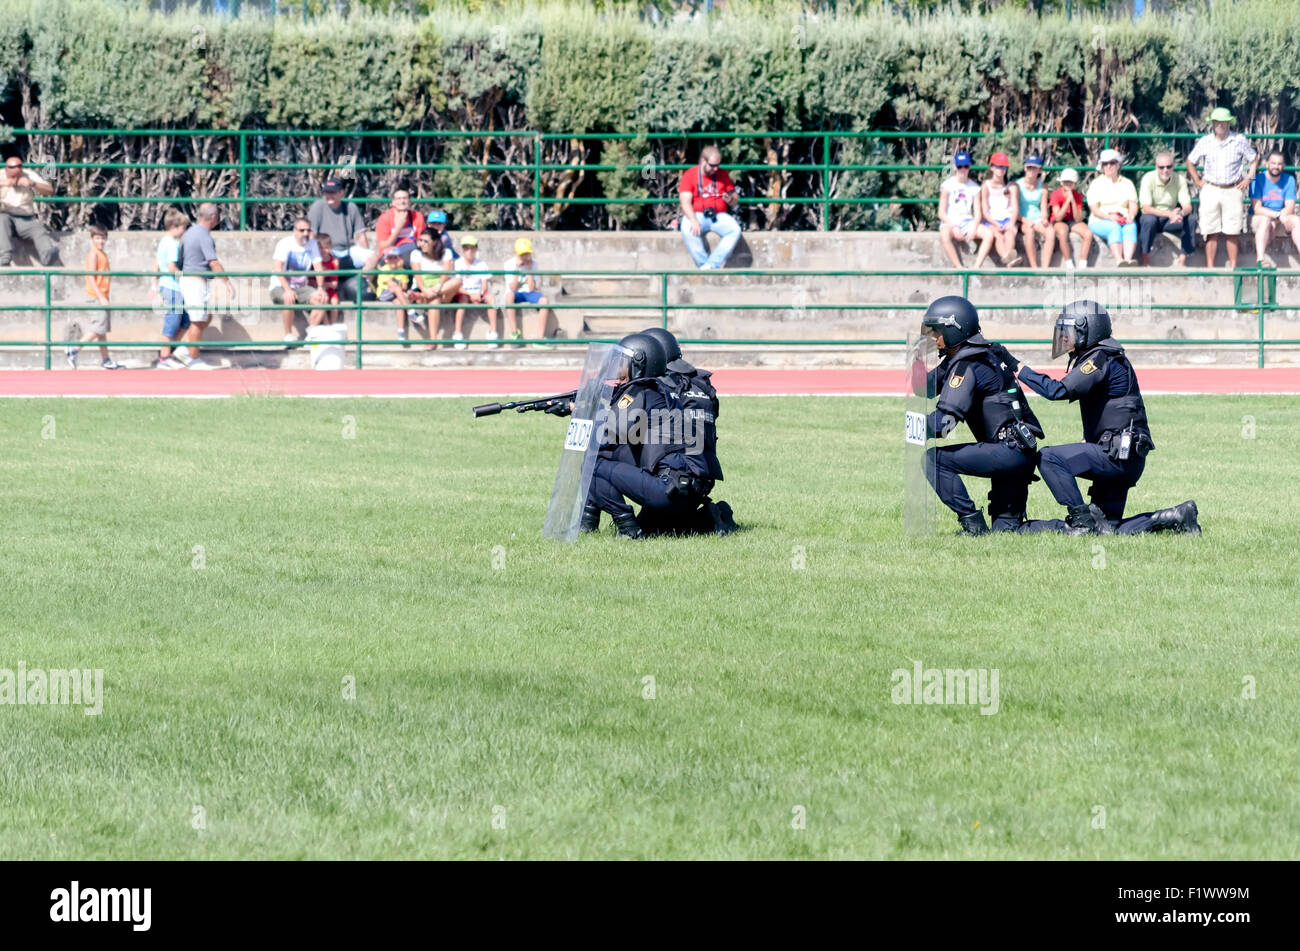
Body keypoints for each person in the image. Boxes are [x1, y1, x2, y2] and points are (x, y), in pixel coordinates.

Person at [1015, 300, 1201, 535]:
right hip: (1125, 457)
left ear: (1086, 330)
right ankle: (1176, 516)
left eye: (1068, 332)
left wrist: (1019, 369)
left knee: (1049, 458)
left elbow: (1057, 391)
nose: (1064, 338)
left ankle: (1081, 521)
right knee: (1108, 530)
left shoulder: (1100, 359)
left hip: (1116, 457)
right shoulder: (1108, 357)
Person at [918, 295, 1045, 535]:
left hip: (1006, 452)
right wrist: (915, 365)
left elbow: (943, 424)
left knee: (932, 459)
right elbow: (925, 387)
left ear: (955, 330)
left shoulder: (967, 364)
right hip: (1020, 452)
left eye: (937, 332)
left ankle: (972, 524)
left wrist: (915, 428)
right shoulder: (987, 352)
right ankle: (1071, 527)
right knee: (1007, 531)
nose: (933, 338)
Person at [587, 333, 717, 539]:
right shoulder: (666, 393)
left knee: (592, 462)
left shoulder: (642, 391)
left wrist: (582, 410)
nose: (618, 367)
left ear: (638, 363)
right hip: (686, 489)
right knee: (603, 458)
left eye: (623, 362)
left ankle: (629, 529)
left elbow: (608, 434)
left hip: (668, 488)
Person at [630, 326, 735, 537]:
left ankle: (589, 520)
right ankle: (709, 518)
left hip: (671, 476)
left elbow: (630, 427)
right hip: (703, 476)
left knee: (607, 454)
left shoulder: (660, 385)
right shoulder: (701, 385)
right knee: (660, 528)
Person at [1186, 107, 1257, 269]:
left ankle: (1233, 267)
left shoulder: (1239, 140)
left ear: (1228, 123)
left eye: (1223, 121)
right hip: (1211, 188)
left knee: (1233, 231)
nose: (1220, 125)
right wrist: (1197, 180)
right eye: (1217, 121)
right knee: (1211, 230)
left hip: (1233, 188)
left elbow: (1253, 159)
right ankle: (1210, 267)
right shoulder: (1205, 141)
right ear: (1212, 123)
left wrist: (1248, 178)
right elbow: (1190, 161)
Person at [177, 202, 233, 370]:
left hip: (192, 280)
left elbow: (180, 259)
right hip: (195, 282)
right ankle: (193, 359)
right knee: (197, 320)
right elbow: (213, 262)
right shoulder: (204, 235)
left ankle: (184, 348)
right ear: (214, 217)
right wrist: (227, 282)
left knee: (205, 317)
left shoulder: (189, 233)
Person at [65, 224, 121, 369]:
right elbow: (90, 277)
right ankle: (74, 349)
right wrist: (100, 296)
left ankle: (106, 359)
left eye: (102, 238)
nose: (100, 241)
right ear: (92, 239)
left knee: (101, 330)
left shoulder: (103, 254)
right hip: (96, 296)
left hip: (103, 295)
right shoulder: (93, 254)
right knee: (97, 328)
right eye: (97, 238)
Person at [678, 146, 742, 270]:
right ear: (703, 161)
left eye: (718, 165)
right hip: (697, 214)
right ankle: (703, 264)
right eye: (712, 165)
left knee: (735, 230)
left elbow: (734, 199)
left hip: (718, 215)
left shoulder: (722, 174)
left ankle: (712, 264)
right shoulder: (690, 175)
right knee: (687, 228)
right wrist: (693, 220)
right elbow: (685, 202)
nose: (715, 169)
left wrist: (730, 199)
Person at [306, 179, 368, 302]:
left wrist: (366, 254)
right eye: (326, 192)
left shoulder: (351, 207)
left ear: (341, 193)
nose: (329, 195)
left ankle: (364, 283)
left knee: (372, 257)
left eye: (333, 192)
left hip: (348, 250)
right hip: (326, 249)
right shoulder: (318, 206)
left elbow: (361, 235)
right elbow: (311, 234)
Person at [269, 217, 327, 342]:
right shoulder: (285, 243)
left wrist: (321, 288)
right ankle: (288, 334)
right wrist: (287, 289)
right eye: (302, 230)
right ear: (294, 230)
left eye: (308, 230)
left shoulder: (312, 244)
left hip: (301, 287)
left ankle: (311, 333)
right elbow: (277, 268)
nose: (305, 233)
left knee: (321, 299)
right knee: (288, 297)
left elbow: (318, 267)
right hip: (280, 285)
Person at [1137, 152, 1197, 267]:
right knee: (1148, 220)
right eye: (1161, 167)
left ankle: (1182, 261)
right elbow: (1145, 208)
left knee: (1191, 219)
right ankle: (1146, 260)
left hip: (1171, 219)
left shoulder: (1179, 179)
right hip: (1154, 217)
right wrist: (1169, 214)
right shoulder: (1148, 178)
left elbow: (1188, 206)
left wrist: (1181, 214)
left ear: (1173, 167)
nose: (1165, 170)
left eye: (1169, 167)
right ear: (1156, 167)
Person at [0, 154, 58, 267]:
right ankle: (4, 257)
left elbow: (50, 190)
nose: (14, 179)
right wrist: (3, 184)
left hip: (25, 217)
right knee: (1, 221)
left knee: (38, 229)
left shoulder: (29, 174)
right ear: (6, 170)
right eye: (11, 176)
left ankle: (47, 256)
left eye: (16, 176)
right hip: (4, 214)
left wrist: (33, 184)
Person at [938, 152, 992, 268]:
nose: (963, 170)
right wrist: (954, 226)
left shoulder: (975, 188)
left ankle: (976, 268)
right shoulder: (947, 185)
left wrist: (974, 227)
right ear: (955, 167)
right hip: (951, 221)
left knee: (989, 234)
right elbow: (941, 212)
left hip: (968, 222)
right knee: (944, 234)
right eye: (960, 166)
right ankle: (959, 267)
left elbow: (978, 213)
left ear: (969, 167)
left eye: (966, 166)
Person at [151, 210, 190, 369]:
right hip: (172, 287)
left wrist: (154, 281)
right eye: (183, 228)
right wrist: (186, 275)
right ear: (175, 227)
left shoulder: (163, 241)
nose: (184, 232)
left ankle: (170, 353)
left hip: (168, 286)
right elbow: (171, 267)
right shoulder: (173, 244)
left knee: (185, 320)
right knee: (172, 322)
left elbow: (157, 262)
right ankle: (164, 357)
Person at [1086, 149, 1139, 266]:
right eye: (1106, 163)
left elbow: (1133, 205)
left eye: (1112, 163)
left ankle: (1128, 260)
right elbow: (1094, 209)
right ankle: (1119, 260)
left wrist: (1131, 216)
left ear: (1118, 165)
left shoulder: (1127, 183)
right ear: (1102, 166)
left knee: (1131, 226)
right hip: (1099, 220)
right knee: (1114, 227)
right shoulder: (1096, 184)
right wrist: (1109, 217)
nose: (1109, 166)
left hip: (1123, 218)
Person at [408, 229, 461, 345]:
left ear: (435, 242)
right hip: (423, 289)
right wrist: (424, 290)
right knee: (434, 299)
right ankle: (433, 339)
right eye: (420, 240)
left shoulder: (446, 252)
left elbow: (446, 273)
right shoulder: (415, 254)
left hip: (441, 289)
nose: (421, 244)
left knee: (457, 281)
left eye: (425, 241)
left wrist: (437, 287)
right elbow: (417, 276)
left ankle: (423, 296)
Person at [1249, 151, 1299, 267]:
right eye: (1273, 163)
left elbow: (1290, 207)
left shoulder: (1289, 180)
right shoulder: (1257, 179)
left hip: (1281, 217)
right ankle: (1260, 260)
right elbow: (1257, 209)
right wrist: (1276, 215)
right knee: (1265, 220)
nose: (1276, 166)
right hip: (1260, 218)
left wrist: (1279, 218)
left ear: (1284, 166)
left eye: (1279, 164)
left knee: (1296, 220)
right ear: (1267, 164)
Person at [502, 237, 552, 348]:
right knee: (509, 296)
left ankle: (540, 338)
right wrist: (516, 271)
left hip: (528, 293)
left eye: (527, 254)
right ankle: (515, 333)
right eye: (522, 254)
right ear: (516, 253)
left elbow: (531, 288)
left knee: (544, 301)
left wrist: (529, 271)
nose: (525, 257)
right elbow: (513, 288)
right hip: (515, 293)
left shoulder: (533, 264)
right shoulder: (509, 264)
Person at [452, 235, 497, 350]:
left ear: (476, 249)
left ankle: (493, 333)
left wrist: (480, 294)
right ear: (463, 250)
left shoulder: (481, 264)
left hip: (478, 293)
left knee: (491, 298)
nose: (469, 251)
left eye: (472, 248)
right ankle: (457, 334)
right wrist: (470, 295)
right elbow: (456, 286)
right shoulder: (457, 264)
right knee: (463, 301)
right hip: (464, 293)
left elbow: (484, 284)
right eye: (466, 248)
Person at [979, 152, 1021, 267]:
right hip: (991, 220)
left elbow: (1015, 208)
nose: (1001, 170)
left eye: (1004, 167)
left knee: (1010, 233)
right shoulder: (986, 186)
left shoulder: (1011, 186)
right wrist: (995, 223)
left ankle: (1008, 259)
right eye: (998, 166)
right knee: (998, 236)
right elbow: (985, 211)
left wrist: (1011, 223)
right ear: (992, 167)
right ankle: (1009, 260)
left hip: (1007, 218)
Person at [1048, 168, 1093, 268]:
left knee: (1088, 233)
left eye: (1070, 182)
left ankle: (1083, 264)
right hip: (1058, 221)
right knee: (1063, 232)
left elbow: (1078, 219)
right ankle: (1069, 263)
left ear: (1075, 184)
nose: (1068, 184)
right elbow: (1058, 217)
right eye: (1065, 182)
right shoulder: (1056, 194)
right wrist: (1067, 200)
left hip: (1072, 221)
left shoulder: (1078, 196)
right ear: (1061, 183)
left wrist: (1073, 201)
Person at [372, 188, 426, 269]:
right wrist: (399, 227)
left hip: (413, 252)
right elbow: (384, 248)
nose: (402, 201)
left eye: (405, 198)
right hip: (390, 256)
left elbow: (422, 242)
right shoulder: (384, 219)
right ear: (393, 202)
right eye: (399, 199)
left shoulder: (417, 216)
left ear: (409, 201)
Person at [1016, 154, 1053, 268]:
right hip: (1021, 218)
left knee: (1050, 231)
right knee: (1029, 232)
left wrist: (1044, 219)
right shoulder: (1017, 185)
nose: (1031, 170)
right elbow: (1014, 209)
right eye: (1029, 167)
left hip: (1037, 218)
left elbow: (1043, 206)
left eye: (1034, 167)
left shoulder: (1043, 187)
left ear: (1039, 170)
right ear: (1025, 168)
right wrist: (1025, 220)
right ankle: (1034, 267)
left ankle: (1045, 267)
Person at [375, 248, 414, 347]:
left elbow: (404, 286)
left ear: (399, 258)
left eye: (395, 257)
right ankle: (410, 311)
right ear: (386, 260)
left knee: (399, 302)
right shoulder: (384, 269)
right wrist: (398, 285)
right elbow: (389, 284)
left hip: (396, 295)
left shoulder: (402, 270)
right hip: (384, 294)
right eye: (390, 258)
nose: (392, 260)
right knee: (397, 289)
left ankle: (401, 331)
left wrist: (399, 285)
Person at [312, 233, 341, 324]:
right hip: (316, 289)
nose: (323, 250)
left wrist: (323, 284)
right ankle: (327, 325)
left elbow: (334, 284)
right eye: (320, 248)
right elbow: (311, 281)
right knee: (322, 300)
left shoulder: (334, 262)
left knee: (334, 302)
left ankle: (332, 325)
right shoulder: (314, 261)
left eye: (326, 248)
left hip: (329, 290)